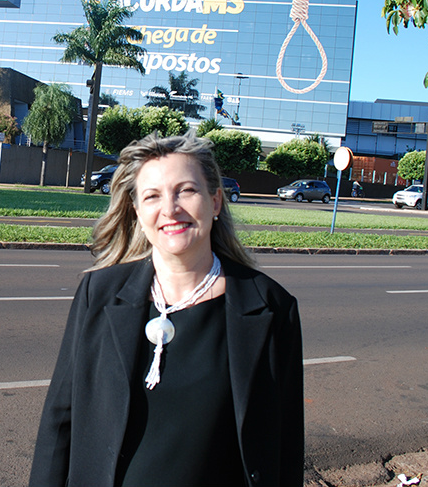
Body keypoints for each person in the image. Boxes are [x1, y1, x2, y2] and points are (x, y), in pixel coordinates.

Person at [30, 133, 303, 487]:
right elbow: (60, 421)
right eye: (152, 196)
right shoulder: (97, 293)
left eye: (186, 191)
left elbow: (284, 445)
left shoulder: (272, 309)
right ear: (138, 212)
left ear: (215, 201)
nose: (170, 209)